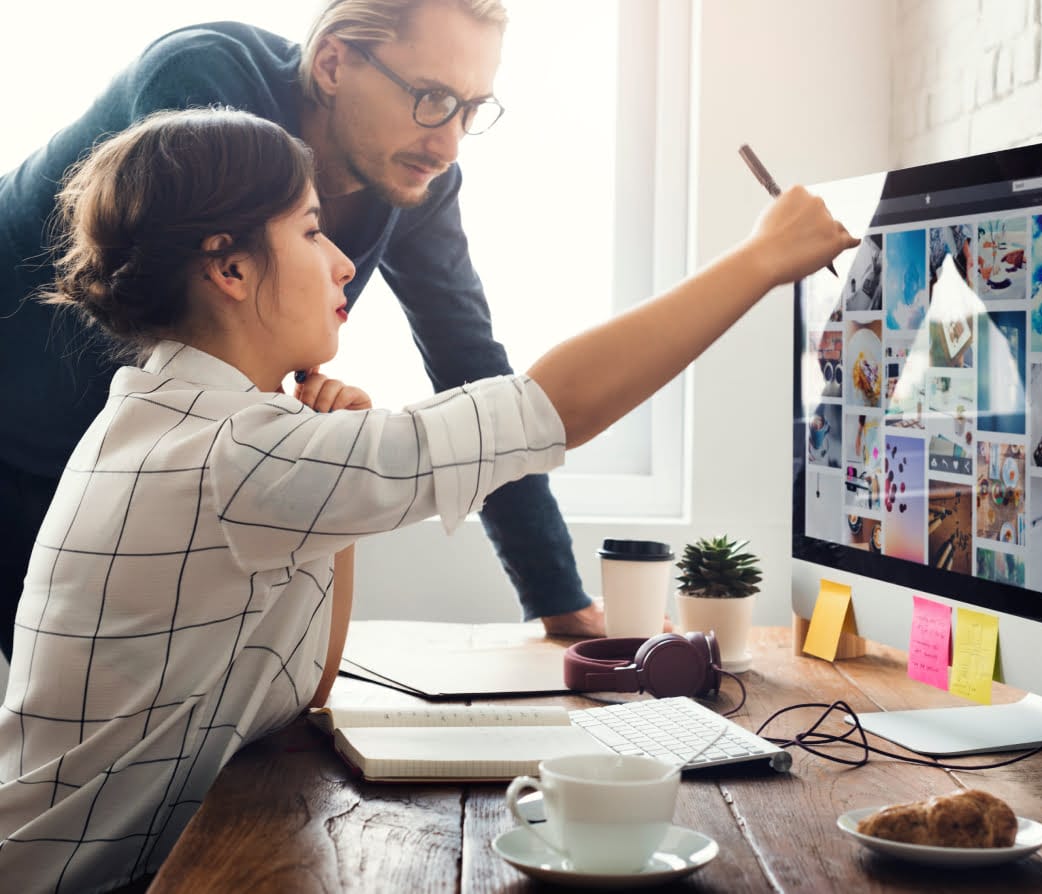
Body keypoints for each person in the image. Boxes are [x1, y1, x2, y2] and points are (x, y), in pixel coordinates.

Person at [0, 107, 853, 891]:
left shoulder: (169, 416)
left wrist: (332, 508)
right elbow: (553, 409)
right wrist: (760, 260)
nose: (341, 261)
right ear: (229, 266)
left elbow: (309, 685)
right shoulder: (235, 452)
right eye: (309, 230)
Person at [0, 0, 604, 658]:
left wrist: (559, 598)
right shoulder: (204, 88)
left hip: (124, 463)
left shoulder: (414, 172)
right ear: (333, 61)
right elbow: (190, 334)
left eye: (472, 108)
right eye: (431, 98)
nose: (449, 142)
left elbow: (471, 360)